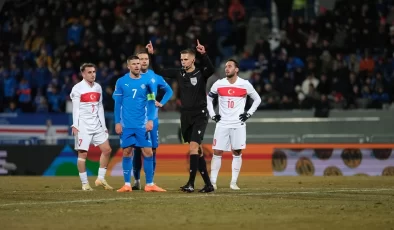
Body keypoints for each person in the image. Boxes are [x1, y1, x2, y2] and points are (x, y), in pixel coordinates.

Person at [146, 40, 215, 193]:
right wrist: (153, 55)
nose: (183, 62)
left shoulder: (201, 72)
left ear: (193, 59)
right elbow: (160, 71)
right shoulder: (179, 73)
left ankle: (190, 183)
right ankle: (208, 185)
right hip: (185, 115)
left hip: (200, 114)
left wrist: (204, 54)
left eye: (186, 59)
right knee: (198, 151)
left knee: (193, 147)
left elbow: (211, 68)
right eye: (181, 59)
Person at [113, 55, 166, 192]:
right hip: (127, 124)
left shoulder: (147, 83)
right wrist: (117, 122)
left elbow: (151, 102)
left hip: (142, 124)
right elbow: (117, 104)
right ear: (128, 66)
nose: (137, 65)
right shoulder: (121, 82)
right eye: (134, 64)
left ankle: (149, 184)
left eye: (138, 63)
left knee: (148, 152)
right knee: (127, 151)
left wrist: (150, 120)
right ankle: (127, 185)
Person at [206, 59, 261, 190]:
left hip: (238, 124)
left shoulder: (245, 84)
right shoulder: (219, 84)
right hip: (222, 123)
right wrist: (213, 114)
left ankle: (233, 182)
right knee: (217, 151)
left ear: (236, 69)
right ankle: (213, 182)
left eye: (230, 66)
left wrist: (248, 114)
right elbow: (208, 98)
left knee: (236, 152)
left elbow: (257, 99)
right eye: (226, 66)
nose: (226, 68)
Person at [132, 51, 173, 190]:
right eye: (140, 59)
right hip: (136, 119)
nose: (144, 61)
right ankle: (137, 180)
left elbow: (169, 91)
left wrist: (161, 103)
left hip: (152, 119)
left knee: (153, 150)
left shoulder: (155, 77)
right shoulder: (131, 78)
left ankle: (151, 181)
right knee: (137, 150)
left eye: (146, 59)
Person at [70, 63, 113, 191]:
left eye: (94, 72)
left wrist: (104, 126)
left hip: (97, 125)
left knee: (107, 150)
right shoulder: (77, 89)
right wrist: (75, 125)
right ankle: (85, 184)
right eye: (89, 72)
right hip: (83, 126)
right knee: (82, 155)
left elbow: (100, 107)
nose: (92, 74)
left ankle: (100, 178)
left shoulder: (98, 87)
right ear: (83, 74)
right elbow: (75, 109)